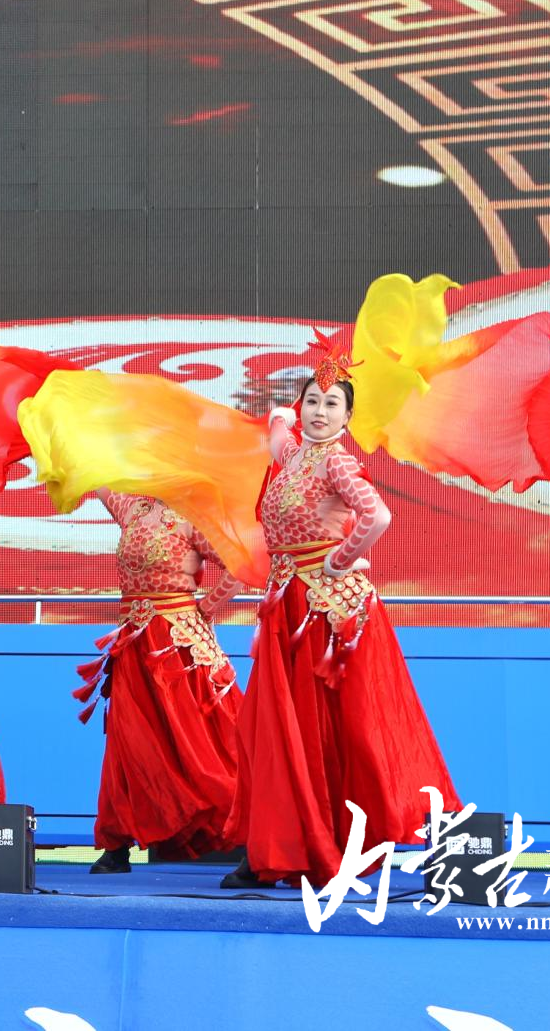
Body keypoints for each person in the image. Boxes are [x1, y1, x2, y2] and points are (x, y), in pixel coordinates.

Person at [223, 337, 459, 888]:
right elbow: (278, 431)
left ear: (348, 418)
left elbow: (377, 516)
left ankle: (328, 842)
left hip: (327, 612)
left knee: (333, 729)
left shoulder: (335, 461)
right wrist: (281, 415)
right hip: (287, 606)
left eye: (332, 404)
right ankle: (279, 845)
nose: (320, 411)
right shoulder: (291, 455)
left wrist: (338, 561)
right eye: (312, 400)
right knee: (278, 727)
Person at [81, 490, 245, 874]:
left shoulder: (195, 516)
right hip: (134, 646)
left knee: (202, 743)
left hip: (178, 649)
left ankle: (253, 831)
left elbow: (238, 566)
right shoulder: (131, 507)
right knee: (130, 743)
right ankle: (116, 843)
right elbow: (95, 474)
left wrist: (205, 609)